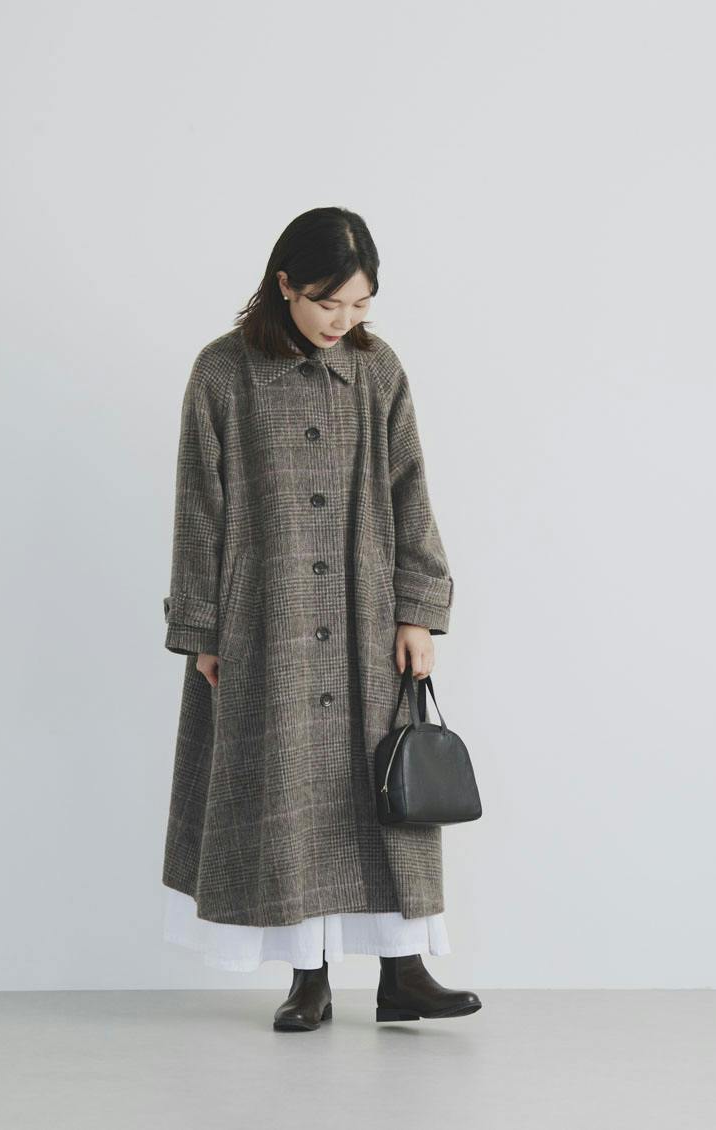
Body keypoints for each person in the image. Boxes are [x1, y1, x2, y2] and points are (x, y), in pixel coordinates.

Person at [161, 206, 481, 1031]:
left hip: (369, 620)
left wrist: (418, 611)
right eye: (327, 303)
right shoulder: (223, 373)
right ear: (285, 285)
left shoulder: (378, 372)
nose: (344, 321)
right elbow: (199, 508)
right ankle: (309, 978)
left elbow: (411, 491)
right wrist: (202, 631)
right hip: (264, 624)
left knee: (385, 792)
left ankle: (404, 973)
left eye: (360, 305)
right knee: (289, 792)